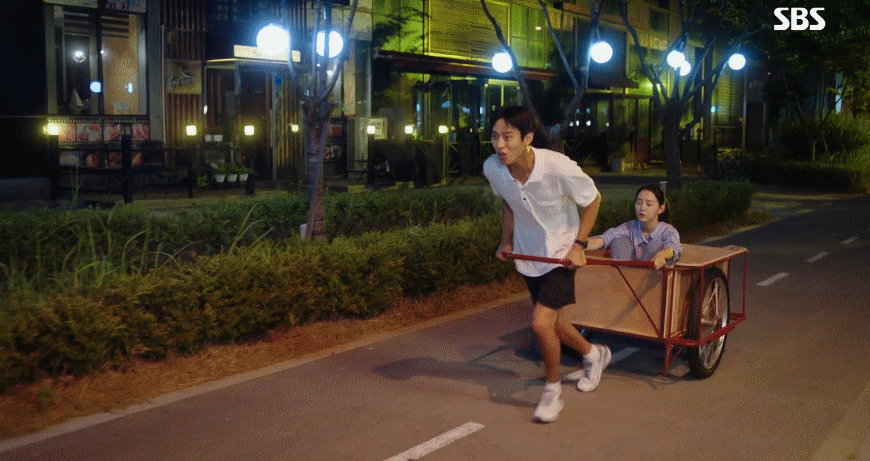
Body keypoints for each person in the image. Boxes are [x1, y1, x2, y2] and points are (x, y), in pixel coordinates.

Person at [483, 105, 610, 424]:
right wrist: (506, 241)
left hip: (561, 254)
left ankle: (552, 391)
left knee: (540, 324)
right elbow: (509, 201)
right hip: (529, 256)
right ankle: (594, 354)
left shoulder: (557, 166)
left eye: (508, 137)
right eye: (495, 136)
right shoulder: (493, 168)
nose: (500, 145)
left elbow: (593, 200)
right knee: (554, 323)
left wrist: (579, 245)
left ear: (527, 138)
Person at [585, 183, 682, 269]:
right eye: (639, 203)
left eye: (648, 204)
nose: (642, 208)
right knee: (619, 242)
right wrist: (578, 244)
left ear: (661, 208)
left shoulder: (668, 230)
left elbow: (672, 247)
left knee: (655, 246)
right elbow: (604, 239)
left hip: (652, 279)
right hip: (625, 277)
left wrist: (662, 254)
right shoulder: (629, 227)